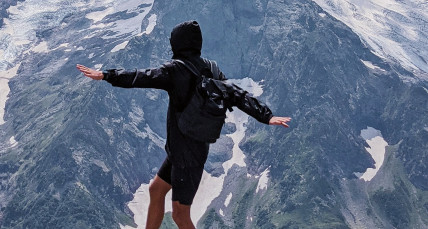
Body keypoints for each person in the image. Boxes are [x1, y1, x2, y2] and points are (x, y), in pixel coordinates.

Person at [77, 20, 291, 229]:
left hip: (187, 155)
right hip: (187, 149)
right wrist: (266, 116)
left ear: (177, 43)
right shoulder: (211, 68)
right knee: (156, 190)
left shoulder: (175, 70)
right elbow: (236, 93)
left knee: (180, 214)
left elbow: (142, 76)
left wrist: (106, 75)